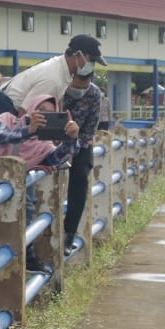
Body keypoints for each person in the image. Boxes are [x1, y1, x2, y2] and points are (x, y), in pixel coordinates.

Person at [0, 94, 79, 271]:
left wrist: (71, 139)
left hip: (1, 203)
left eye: (51, 113)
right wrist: (29, 130)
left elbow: (57, 159)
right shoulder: (8, 119)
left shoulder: (44, 145)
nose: (43, 115)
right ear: (31, 109)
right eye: (40, 110)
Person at [1, 34, 107, 111]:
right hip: (7, 121)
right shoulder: (53, 80)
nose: (92, 65)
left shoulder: (58, 66)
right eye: (92, 60)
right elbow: (25, 113)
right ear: (78, 55)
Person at [61, 70, 103, 248]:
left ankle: (69, 235)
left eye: (85, 84)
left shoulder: (94, 93)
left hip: (82, 143)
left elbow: (91, 127)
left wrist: (74, 147)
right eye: (77, 84)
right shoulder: (59, 87)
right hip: (53, 139)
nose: (80, 89)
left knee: (79, 183)